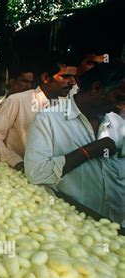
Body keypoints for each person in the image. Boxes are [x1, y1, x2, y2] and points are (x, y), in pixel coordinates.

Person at [25, 62, 125, 228]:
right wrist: (89, 151)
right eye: (119, 97)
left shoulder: (118, 124)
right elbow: (36, 173)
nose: (121, 105)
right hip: (72, 224)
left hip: (115, 226)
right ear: (97, 89)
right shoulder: (48, 119)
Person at [0, 56, 77, 171]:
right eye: (66, 76)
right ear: (46, 78)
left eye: (74, 77)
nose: (72, 82)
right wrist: (17, 163)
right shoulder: (17, 101)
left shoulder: (67, 108)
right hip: (14, 175)